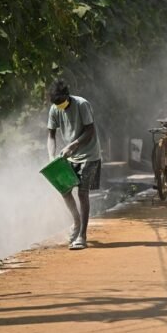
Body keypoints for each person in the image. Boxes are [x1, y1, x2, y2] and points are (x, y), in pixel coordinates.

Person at [47, 79, 102, 250]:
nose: (59, 106)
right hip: (69, 157)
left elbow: (90, 130)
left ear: (67, 96)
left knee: (83, 193)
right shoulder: (55, 108)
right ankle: (76, 220)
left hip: (89, 155)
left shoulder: (82, 104)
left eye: (61, 102)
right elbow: (51, 135)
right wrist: (51, 156)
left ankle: (82, 236)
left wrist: (73, 145)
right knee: (64, 190)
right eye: (56, 104)